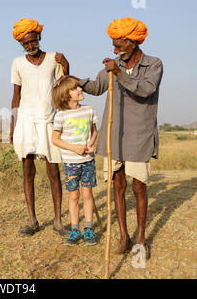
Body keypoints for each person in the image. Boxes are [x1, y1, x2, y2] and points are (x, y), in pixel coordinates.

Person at [56, 17, 163, 256]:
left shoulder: (154, 64)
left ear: (133, 42)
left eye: (119, 45)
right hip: (114, 134)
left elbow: (146, 90)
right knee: (117, 185)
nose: (114, 50)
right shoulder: (112, 65)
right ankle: (124, 236)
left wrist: (119, 74)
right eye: (113, 45)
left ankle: (141, 237)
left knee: (139, 187)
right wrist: (72, 78)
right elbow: (96, 87)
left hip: (140, 135)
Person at [10, 18, 69, 236]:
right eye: (25, 44)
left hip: (48, 119)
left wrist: (66, 64)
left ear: (39, 38)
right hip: (25, 121)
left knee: (53, 170)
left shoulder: (54, 58)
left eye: (32, 41)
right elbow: (15, 96)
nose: (29, 46)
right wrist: (13, 126)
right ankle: (32, 221)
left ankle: (58, 221)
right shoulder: (17, 63)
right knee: (28, 171)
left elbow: (64, 84)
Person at [51, 75, 99, 246]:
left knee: (87, 194)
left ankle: (88, 228)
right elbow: (55, 139)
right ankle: (74, 229)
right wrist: (74, 148)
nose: (81, 89)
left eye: (79, 87)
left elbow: (94, 132)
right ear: (66, 95)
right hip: (71, 163)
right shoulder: (60, 116)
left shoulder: (89, 110)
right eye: (75, 88)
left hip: (88, 161)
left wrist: (91, 144)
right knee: (73, 195)